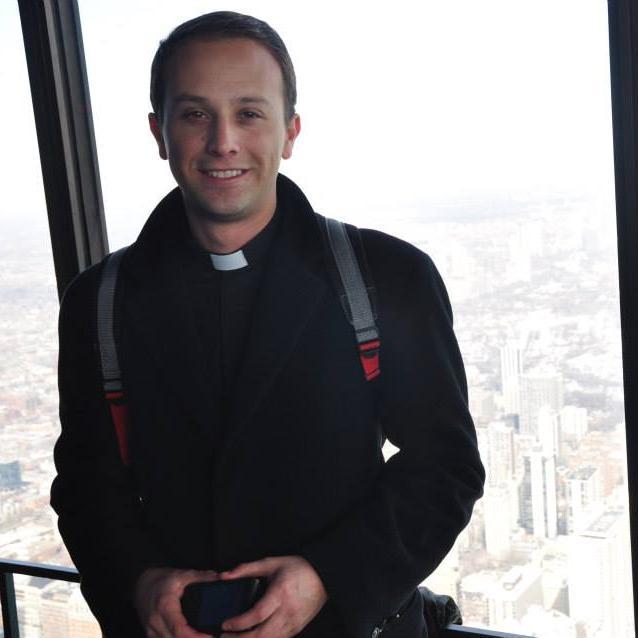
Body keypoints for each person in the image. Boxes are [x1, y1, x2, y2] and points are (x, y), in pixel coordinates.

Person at [51, 11, 485, 638]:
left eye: (249, 113)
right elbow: (88, 485)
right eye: (195, 113)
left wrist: (328, 575)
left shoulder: (387, 276)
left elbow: (446, 467)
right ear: (159, 132)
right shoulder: (98, 301)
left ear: (290, 131)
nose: (223, 141)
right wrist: (140, 581)